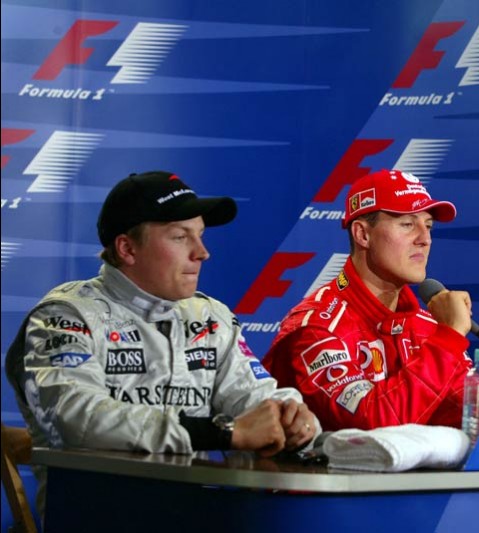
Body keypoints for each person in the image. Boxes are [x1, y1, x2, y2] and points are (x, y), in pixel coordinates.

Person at [5, 171, 320, 513]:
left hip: (196, 516)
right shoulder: (64, 316)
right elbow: (79, 421)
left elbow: (256, 399)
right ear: (127, 248)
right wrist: (227, 433)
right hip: (94, 517)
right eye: (180, 237)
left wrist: (290, 414)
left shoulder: (209, 316)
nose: (202, 253)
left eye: (200, 235)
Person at [262, 169, 479, 431]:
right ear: (363, 235)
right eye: (407, 224)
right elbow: (374, 425)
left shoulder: (426, 327)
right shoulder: (316, 329)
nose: (424, 239)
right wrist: (448, 338)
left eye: (428, 226)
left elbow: (471, 409)